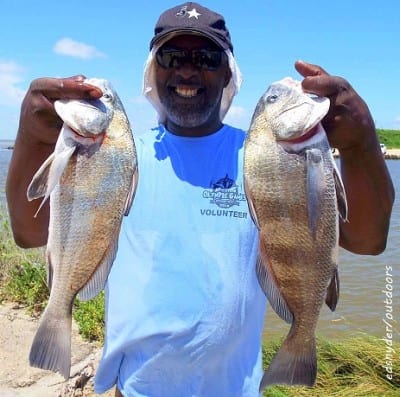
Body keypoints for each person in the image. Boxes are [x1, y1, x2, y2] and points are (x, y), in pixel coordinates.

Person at [6, 2, 394, 396]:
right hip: (134, 389)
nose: (187, 70)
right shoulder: (120, 157)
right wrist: (31, 135)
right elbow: (28, 231)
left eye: (206, 57)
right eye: (172, 56)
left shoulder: (265, 158)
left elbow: (367, 240)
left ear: (228, 72)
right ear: (152, 71)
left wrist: (362, 142)